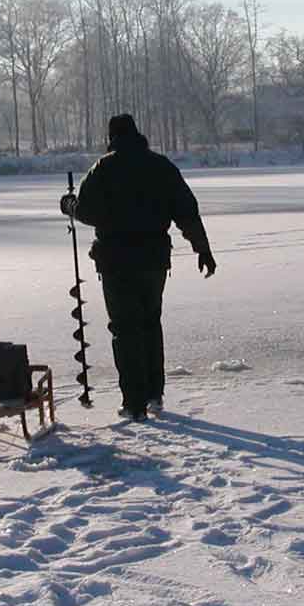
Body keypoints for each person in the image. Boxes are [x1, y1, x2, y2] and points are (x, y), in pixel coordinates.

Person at [61, 114, 217, 421]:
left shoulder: (103, 169)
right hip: (154, 260)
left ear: (112, 136)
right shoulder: (161, 167)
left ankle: (133, 402)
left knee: (124, 329)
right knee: (149, 324)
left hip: (116, 261)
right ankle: (154, 395)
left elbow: (88, 211)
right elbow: (186, 211)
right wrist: (203, 249)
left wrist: (69, 205)